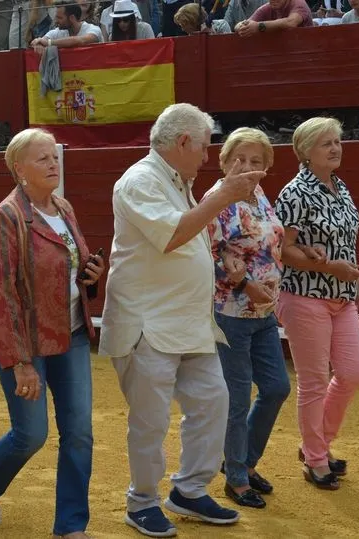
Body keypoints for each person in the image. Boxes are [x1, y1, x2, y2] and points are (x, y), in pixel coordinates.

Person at [100, 103, 262, 538]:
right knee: (150, 420)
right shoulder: (140, 180)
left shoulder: (178, 181)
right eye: (204, 147)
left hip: (189, 322)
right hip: (147, 322)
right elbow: (173, 235)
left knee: (213, 401)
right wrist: (223, 196)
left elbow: (191, 238)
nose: (207, 157)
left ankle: (189, 490)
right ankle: (142, 501)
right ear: (183, 142)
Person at [0, 128, 104, 539]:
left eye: (54, 157)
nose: (53, 164)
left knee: (79, 432)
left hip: (72, 333)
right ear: (19, 169)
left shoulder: (62, 207)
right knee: (31, 434)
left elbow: (68, 268)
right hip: (27, 342)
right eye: (43, 158)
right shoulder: (7, 216)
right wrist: (20, 362)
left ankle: (70, 526)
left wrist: (91, 277)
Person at [274, 116, 359, 491]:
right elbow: (281, 249)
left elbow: (348, 245)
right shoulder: (294, 192)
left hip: (342, 295)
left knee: (352, 373)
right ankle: (316, 458)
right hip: (303, 294)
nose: (335, 148)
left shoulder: (340, 188)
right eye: (326, 143)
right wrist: (331, 267)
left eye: (337, 141)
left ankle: (317, 444)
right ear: (306, 152)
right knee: (314, 381)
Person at [205, 128, 292, 509]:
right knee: (237, 397)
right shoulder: (216, 198)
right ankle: (237, 479)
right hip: (231, 312)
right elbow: (209, 252)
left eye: (256, 161)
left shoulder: (258, 196)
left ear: (267, 168)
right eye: (239, 159)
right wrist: (244, 286)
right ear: (224, 161)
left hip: (264, 312)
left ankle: (242, 462)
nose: (247, 166)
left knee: (276, 388)